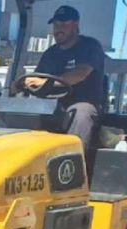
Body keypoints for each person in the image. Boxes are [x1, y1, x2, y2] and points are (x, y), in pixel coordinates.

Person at [26, 5, 105, 150]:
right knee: (25, 112)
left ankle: (71, 163)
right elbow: (37, 79)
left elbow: (80, 73)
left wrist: (48, 82)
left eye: (63, 24)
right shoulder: (50, 54)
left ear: (76, 25)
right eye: (56, 25)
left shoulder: (90, 46)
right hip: (52, 105)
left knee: (81, 113)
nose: (58, 29)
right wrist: (24, 84)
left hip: (83, 102)